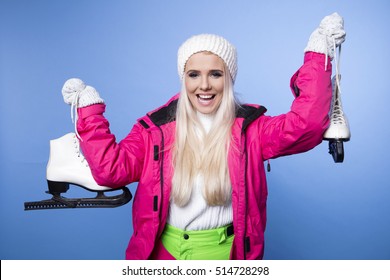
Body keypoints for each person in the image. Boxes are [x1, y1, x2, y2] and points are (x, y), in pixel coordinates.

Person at [61, 13, 346, 260]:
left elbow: (306, 125)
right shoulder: (154, 130)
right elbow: (111, 170)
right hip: (162, 254)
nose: (204, 85)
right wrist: (90, 112)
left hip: (223, 253)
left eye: (216, 74)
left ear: (229, 79)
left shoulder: (252, 130)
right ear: (183, 78)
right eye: (194, 74)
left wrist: (318, 56)